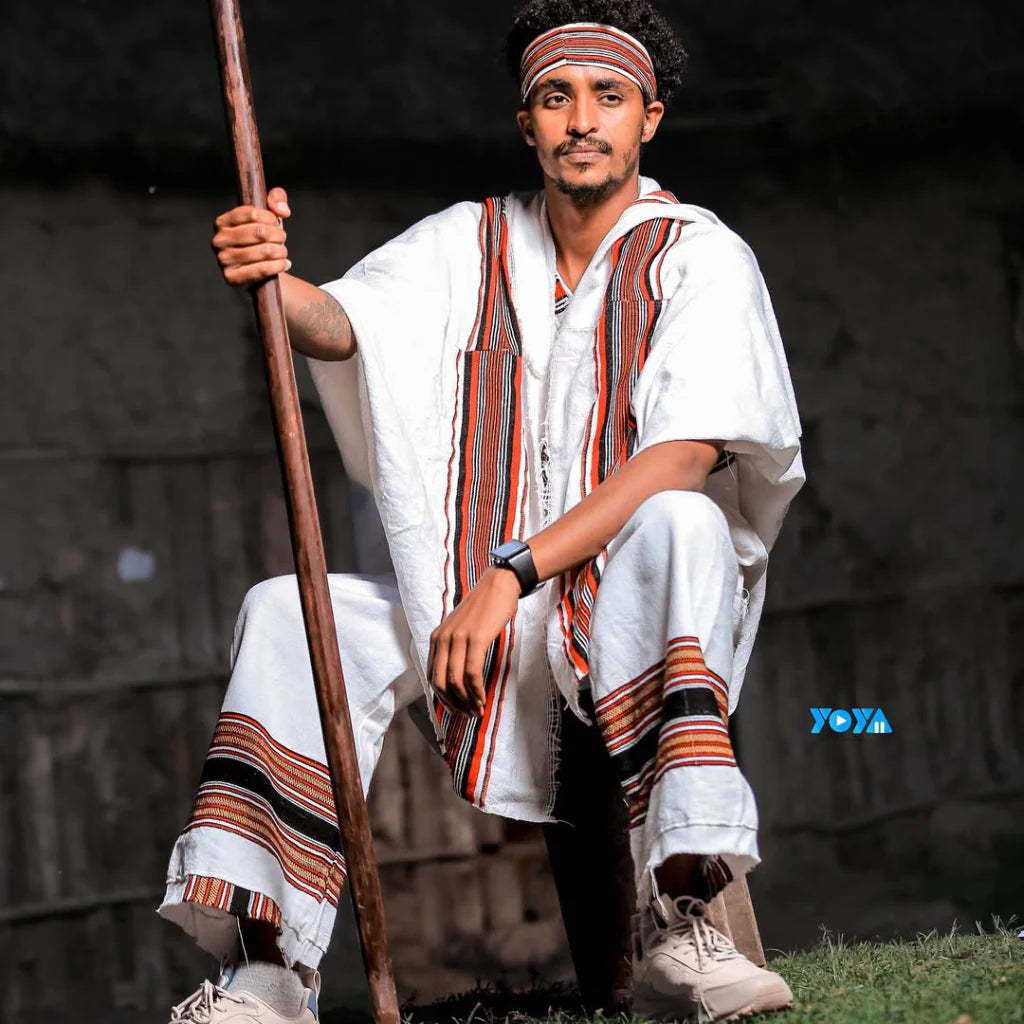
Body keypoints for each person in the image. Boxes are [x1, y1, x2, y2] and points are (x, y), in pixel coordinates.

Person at [162, 2, 804, 1022]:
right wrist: (272, 276)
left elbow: (681, 456)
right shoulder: (468, 242)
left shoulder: (700, 256)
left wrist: (510, 575)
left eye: (607, 96)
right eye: (555, 97)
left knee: (681, 520)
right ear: (526, 123)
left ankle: (683, 920)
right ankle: (267, 970)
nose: (581, 119)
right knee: (285, 610)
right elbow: (343, 324)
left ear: (648, 118)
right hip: (471, 611)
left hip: (630, 609)